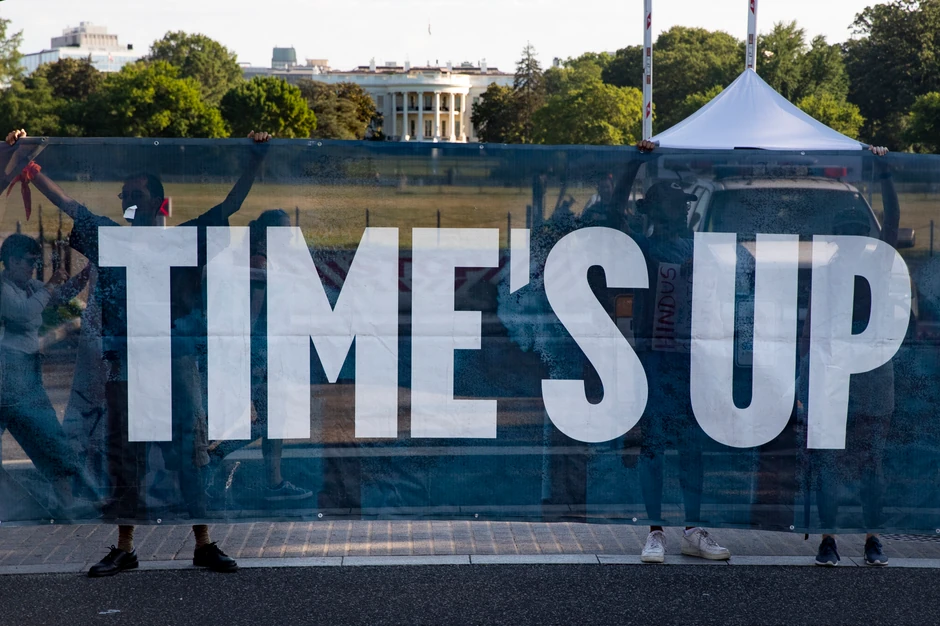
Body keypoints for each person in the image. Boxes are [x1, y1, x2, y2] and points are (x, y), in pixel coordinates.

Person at [5, 128, 271, 576]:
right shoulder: (112, 236)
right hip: (127, 366)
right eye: (124, 193)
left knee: (188, 453)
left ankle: (202, 541)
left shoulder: (179, 239)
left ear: (156, 202)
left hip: (175, 364)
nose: (127, 199)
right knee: (126, 455)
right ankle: (126, 545)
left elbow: (230, 206)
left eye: (135, 193)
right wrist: (28, 164)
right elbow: (69, 205)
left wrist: (255, 161)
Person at [630, 178, 731, 564]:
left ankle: (693, 529)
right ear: (656, 208)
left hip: (693, 357)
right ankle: (655, 531)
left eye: (685, 204)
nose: (684, 210)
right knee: (654, 443)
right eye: (675, 204)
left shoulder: (698, 248)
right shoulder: (643, 248)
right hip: (655, 357)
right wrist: (637, 164)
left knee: (692, 444)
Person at [809, 146, 896, 567]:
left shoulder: (878, 265)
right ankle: (836, 539)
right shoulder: (829, 272)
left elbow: (893, 222)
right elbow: (813, 328)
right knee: (839, 459)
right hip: (841, 369)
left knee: (864, 460)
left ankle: (867, 538)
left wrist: (883, 172)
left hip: (869, 369)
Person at [207, 209, 313, 503]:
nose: (290, 236)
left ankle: (272, 481)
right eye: (284, 231)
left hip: (265, 351)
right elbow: (252, 314)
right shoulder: (259, 262)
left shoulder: (265, 260)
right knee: (268, 420)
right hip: (260, 353)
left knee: (273, 419)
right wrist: (251, 357)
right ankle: (215, 456)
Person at [0, 235, 96, 514]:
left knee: (48, 437)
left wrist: (83, 275)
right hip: (9, 369)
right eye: (29, 262)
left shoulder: (28, 285)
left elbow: (59, 296)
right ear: (13, 260)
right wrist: (49, 288)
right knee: (45, 432)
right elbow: (21, 313)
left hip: (25, 368)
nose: (33, 268)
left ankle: (63, 503)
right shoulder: (4, 288)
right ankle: (49, 504)